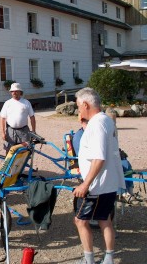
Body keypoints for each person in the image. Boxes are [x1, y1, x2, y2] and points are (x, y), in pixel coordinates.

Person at [73, 87, 125, 264]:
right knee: (104, 219)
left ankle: (89, 260)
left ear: (86, 104)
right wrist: (84, 123)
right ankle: (109, 257)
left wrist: (85, 185)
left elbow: (99, 158)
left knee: (80, 221)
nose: (78, 110)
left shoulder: (97, 124)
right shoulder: (105, 120)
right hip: (108, 182)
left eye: (79, 106)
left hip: (96, 186)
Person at [0, 82, 36, 153]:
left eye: (16, 91)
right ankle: (9, 164)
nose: (14, 93)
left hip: (24, 131)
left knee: (24, 150)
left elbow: (32, 117)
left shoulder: (26, 103)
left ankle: (22, 164)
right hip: (10, 131)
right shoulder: (7, 103)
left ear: (20, 92)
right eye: (12, 91)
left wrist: (33, 131)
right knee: (9, 150)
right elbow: (2, 118)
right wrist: (3, 132)